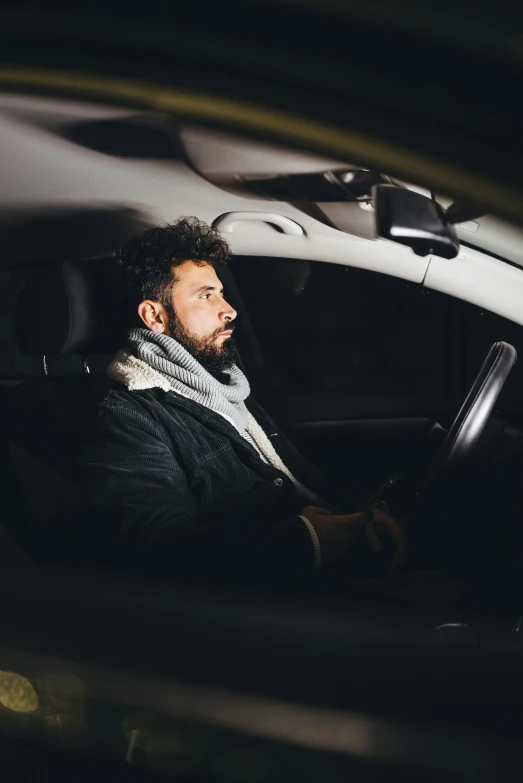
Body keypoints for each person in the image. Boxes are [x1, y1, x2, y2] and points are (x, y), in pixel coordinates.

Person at [82, 217, 406, 589]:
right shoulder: (127, 414)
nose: (229, 309)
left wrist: (358, 517)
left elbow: (295, 477)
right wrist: (305, 542)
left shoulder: (222, 385)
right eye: (206, 295)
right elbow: (153, 545)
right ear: (154, 316)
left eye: (221, 292)